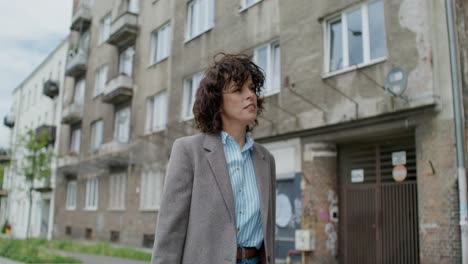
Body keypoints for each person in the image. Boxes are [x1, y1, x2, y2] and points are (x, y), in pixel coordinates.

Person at [151, 53, 276, 264]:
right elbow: (169, 231)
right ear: (217, 101)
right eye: (239, 89)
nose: (250, 95)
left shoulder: (266, 159)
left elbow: (268, 232)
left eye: (252, 88)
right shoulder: (188, 151)